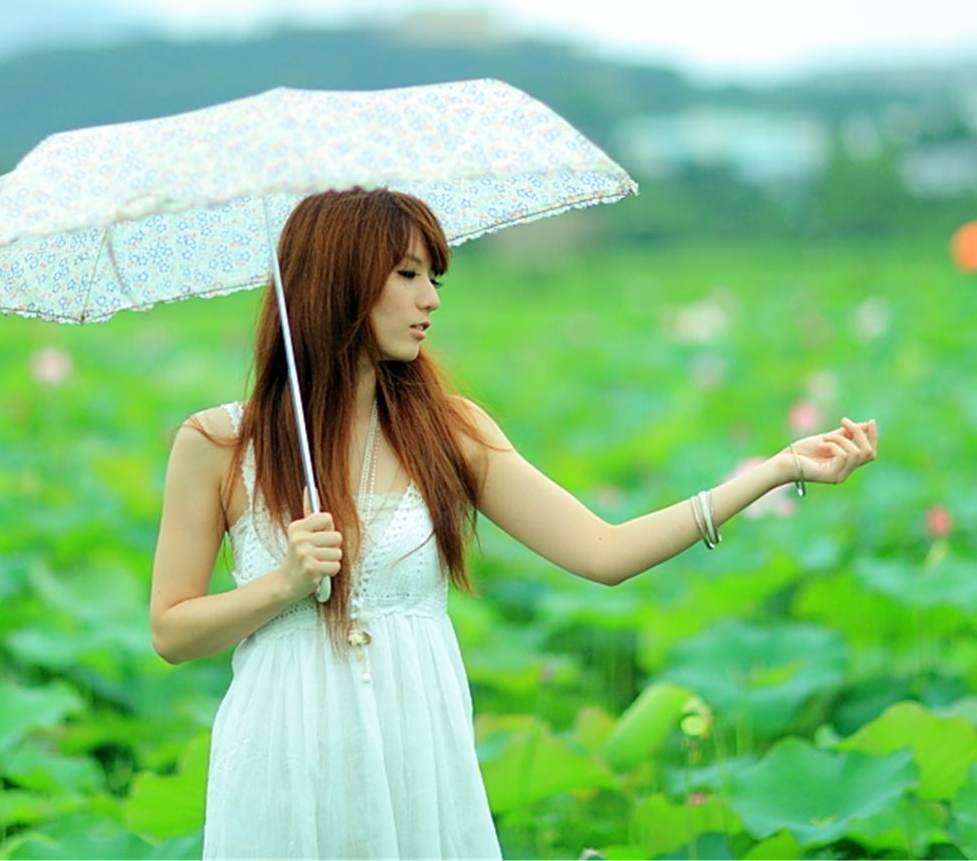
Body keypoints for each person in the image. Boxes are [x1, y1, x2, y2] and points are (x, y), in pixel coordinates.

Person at [149, 188, 878, 859]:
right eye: (407, 274)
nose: (429, 298)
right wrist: (283, 583)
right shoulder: (218, 445)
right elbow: (172, 631)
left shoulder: (449, 431)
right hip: (284, 754)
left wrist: (776, 469)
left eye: (434, 276)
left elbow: (605, 551)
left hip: (418, 752)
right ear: (338, 280)